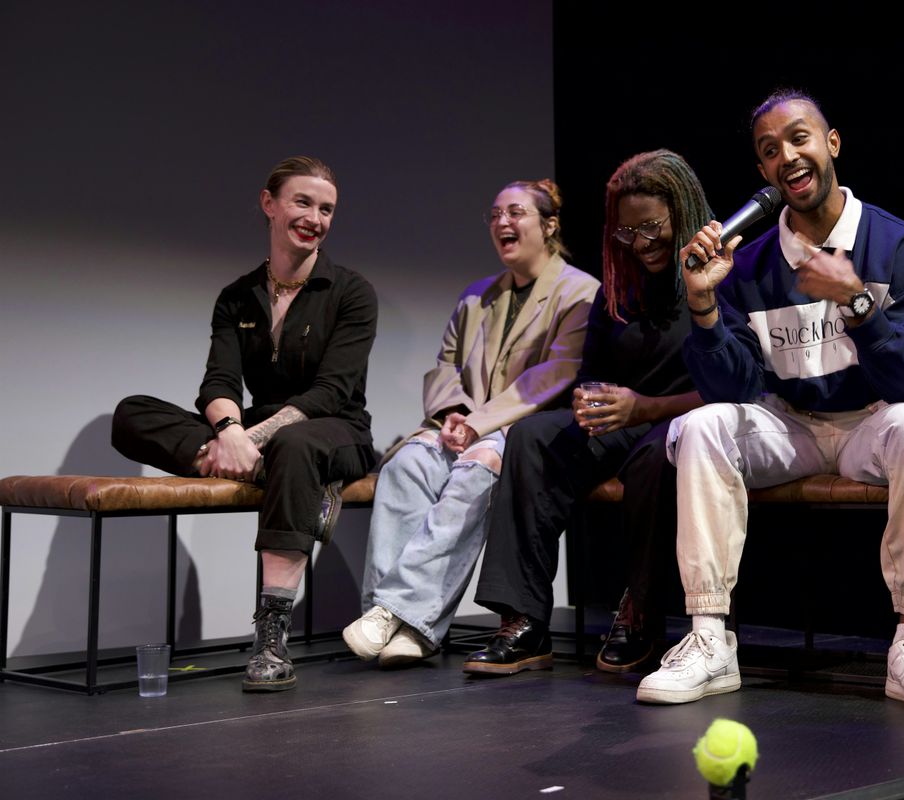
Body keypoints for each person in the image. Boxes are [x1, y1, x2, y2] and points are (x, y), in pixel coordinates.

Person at [636, 90, 904, 714]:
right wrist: (704, 306)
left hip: (874, 422)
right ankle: (709, 638)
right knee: (703, 425)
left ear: (831, 143)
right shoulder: (751, 264)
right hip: (792, 425)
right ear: (763, 172)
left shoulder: (897, 246)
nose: (786, 156)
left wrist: (857, 302)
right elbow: (732, 390)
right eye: (770, 150)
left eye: (798, 138)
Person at [111, 156, 378, 692]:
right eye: (303, 202)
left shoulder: (351, 292)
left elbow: (330, 391)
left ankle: (271, 637)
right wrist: (229, 432)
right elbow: (218, 382)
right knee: (132, 413)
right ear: (269, 204)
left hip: (336, 428)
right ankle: (278, 474)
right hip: (261, 433)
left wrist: (246, 439)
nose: (315, 218)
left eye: (327, 209)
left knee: (296, 444)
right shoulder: (237, 297)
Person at [463, 150, 711, 676]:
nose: (640, 243)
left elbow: (737, 389)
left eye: (652, 227)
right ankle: (525, 619)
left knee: (656, 457)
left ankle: (641, 609)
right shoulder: (619, 289)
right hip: (624, 422)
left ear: (683, 214)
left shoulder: (716, 277)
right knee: (531, 437)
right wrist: (588, 401)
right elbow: (592, 372)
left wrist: (645, 407)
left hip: (689, 422)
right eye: (627, 232)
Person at [342, 179, 598, 667]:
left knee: (475, 473)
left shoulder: (580, 292)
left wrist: (480, 424)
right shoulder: (477, 296)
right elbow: (446, 364)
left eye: (516, 212)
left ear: (549, 225)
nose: (502, 222)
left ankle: (397, 613)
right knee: (406, 466)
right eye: (495, 215)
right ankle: (400, 621)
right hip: (463, 423)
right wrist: (452, 414)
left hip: (524, 430)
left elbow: (555, 374)